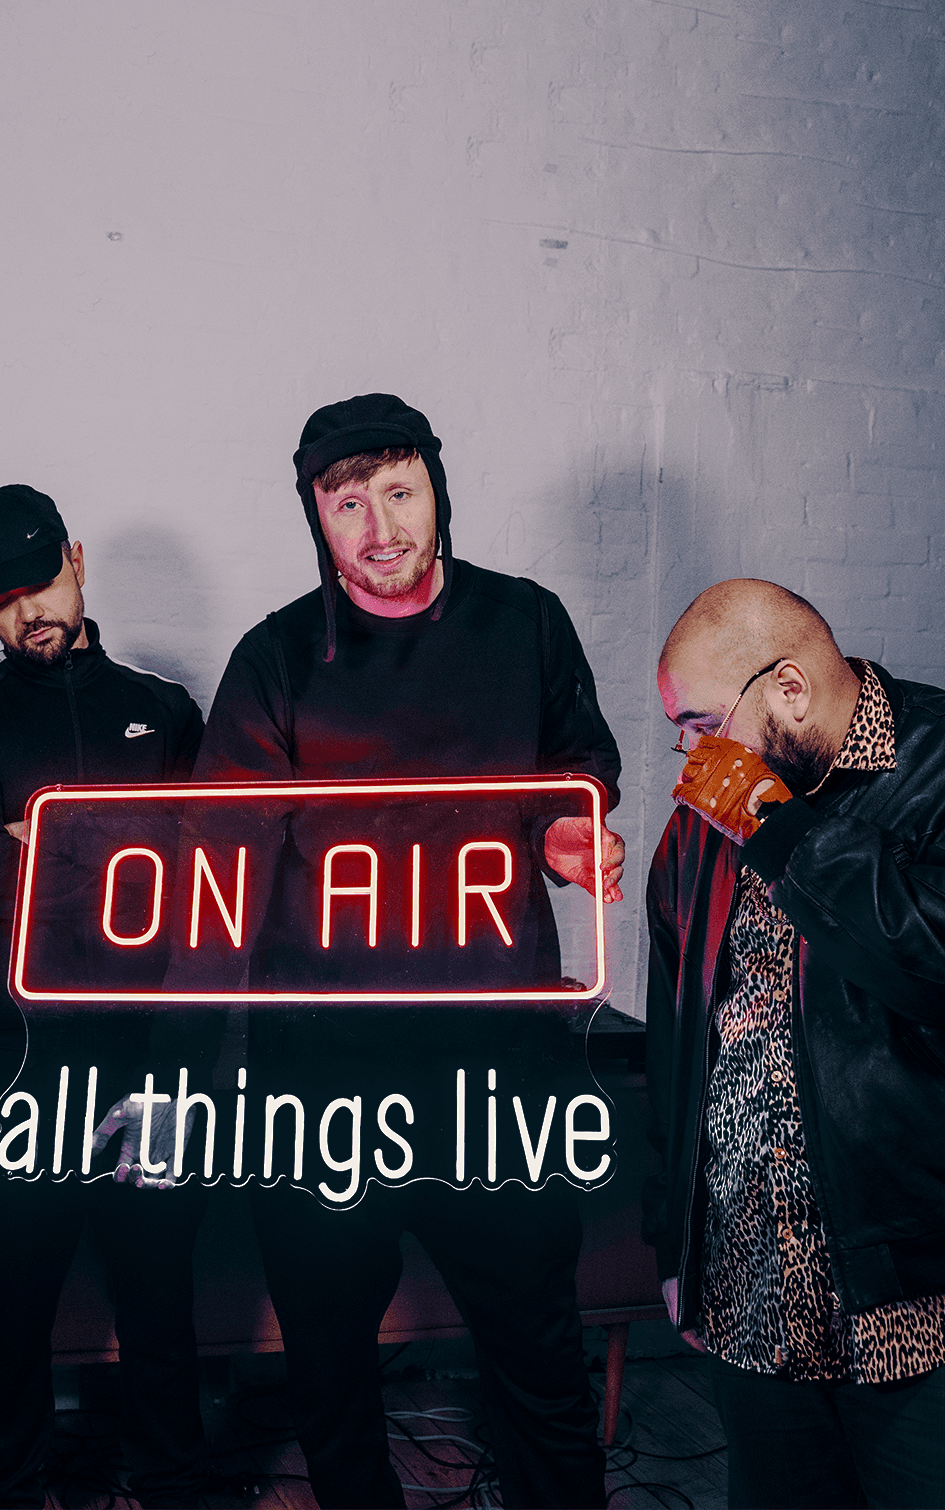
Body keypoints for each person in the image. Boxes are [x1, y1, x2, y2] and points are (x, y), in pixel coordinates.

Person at [186, 393, 624, 1509]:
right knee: (329, 1353)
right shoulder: (275, 656)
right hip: (321, 1066)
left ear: (435, 487)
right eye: (348, 502)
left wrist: (568, 828)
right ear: (316, 516)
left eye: (398, 490)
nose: (379, 525)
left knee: (534, 1330)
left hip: (496, 1056)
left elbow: (576, 753)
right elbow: (217, 850)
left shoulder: (526, 621)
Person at [0, 484, 213, 1508]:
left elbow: (205, 879)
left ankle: (171, 1484)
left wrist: (40, 839)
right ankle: (5, 1489)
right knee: (17, 1305)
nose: (26, 611)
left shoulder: (163, 706)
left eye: (39, 581)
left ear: (76, 558)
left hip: (150, 1053)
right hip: (13, 1059)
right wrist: (123, 846)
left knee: (158, 1296)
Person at [643, 577, 945, 1510]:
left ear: (786, 689)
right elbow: (680, 1038)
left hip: (922, 1297)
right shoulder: (707, 818)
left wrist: (780, 832)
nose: (691, 753)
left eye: (705, 722)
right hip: (750, 1290)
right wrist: (675, 1246)